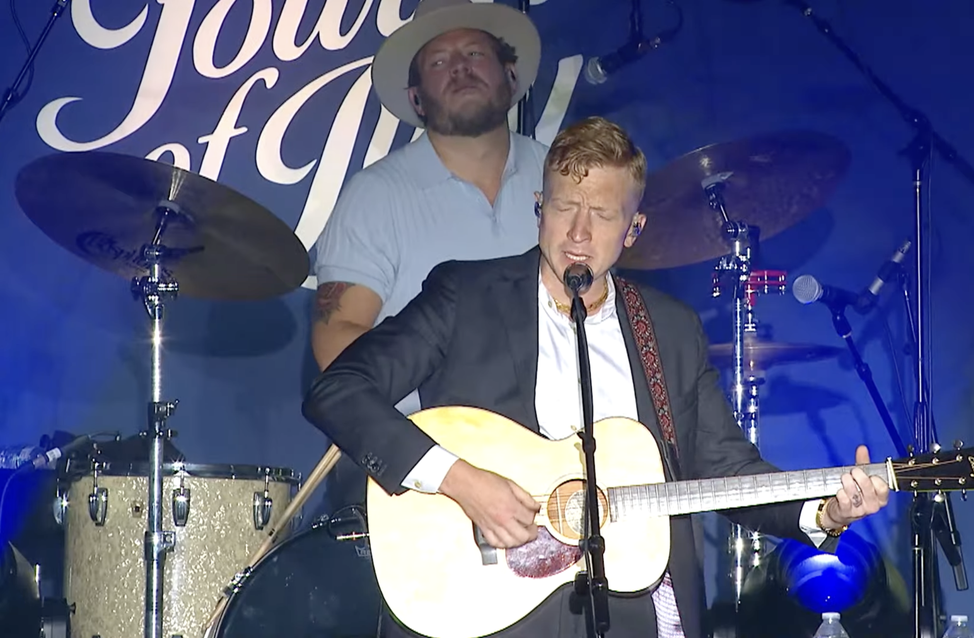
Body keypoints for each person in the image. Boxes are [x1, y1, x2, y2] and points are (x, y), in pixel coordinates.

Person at [301, 117, 891, 638]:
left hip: (630, 602)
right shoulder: (464, 295)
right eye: (565, 208)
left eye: (603, 215)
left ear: (633, 229)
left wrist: (822, 511)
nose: (578, 234)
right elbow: (338, 391)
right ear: (540, 208)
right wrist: (461, 480)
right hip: (483, 598)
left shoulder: (669, 329)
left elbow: (726, 470)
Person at [310, 0, 548, 510]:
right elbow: (337, 340)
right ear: (416, 99)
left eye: (475, 53)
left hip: (553, 454)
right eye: (439, 61)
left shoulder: (562, 178)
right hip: (426, 470)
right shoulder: (376, 194)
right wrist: (443, 438)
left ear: (511, 76)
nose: (460, 67)